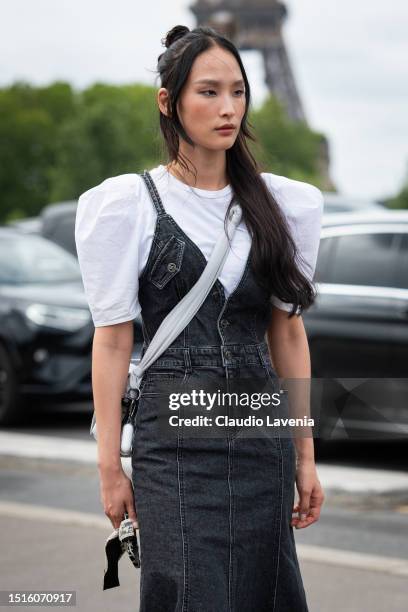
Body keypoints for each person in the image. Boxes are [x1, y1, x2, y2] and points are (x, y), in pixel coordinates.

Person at [75, 23, 325, 612]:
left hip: (261, 435)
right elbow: (111, 343)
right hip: (174, 444)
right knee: (187, 593)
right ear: (169, 102)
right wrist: (111, 469)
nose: (228, 108)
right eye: (209, 92)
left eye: (238, 92)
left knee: (264, 592)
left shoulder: (284, 205)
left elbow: (287, 332)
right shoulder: (128, 205)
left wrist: (306, 457)